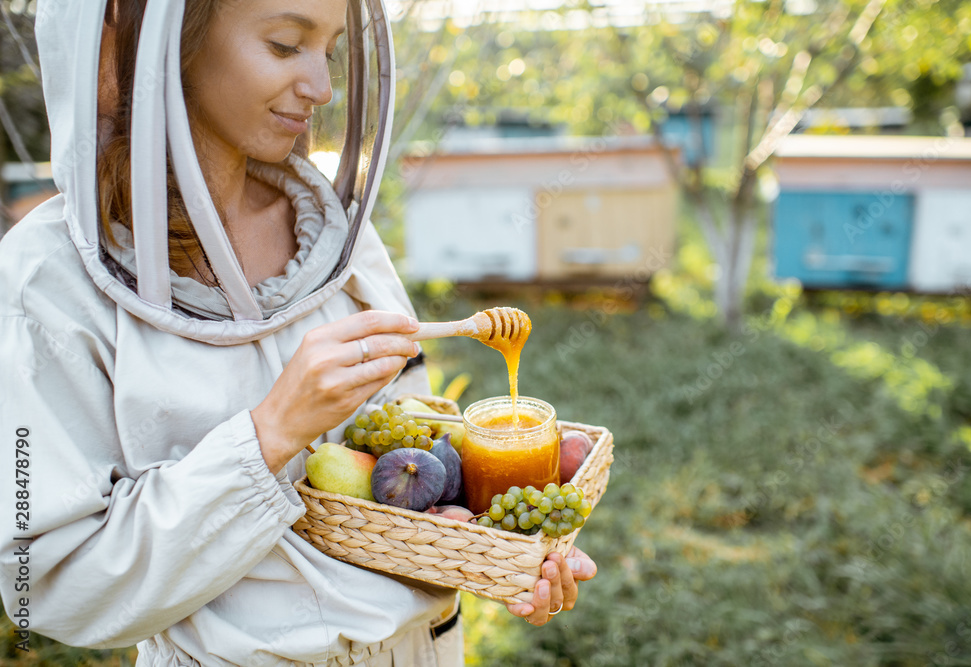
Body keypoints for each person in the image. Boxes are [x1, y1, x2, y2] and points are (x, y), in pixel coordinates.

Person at [0, 0, 597, 665]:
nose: (322, 86)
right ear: (168, 43)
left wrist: (493, 554)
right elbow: (49, 587)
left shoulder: (338, 235)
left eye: (331, 51)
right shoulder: (45, 280)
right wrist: (270, 434)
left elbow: (413, 482)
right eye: (286, 45)